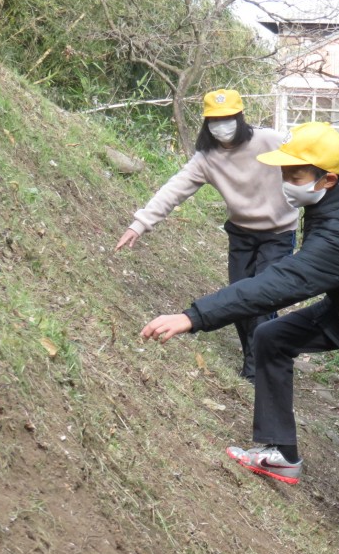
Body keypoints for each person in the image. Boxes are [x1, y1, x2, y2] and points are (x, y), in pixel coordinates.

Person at [141, 122, 339, 554]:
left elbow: (281, 281)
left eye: (295, 176)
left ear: (327, 179)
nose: (285, 183)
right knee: (272, 338)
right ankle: (280, 451)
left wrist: (194, 316)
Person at [116, 89, 298, 381]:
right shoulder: (206, 159)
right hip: (241, 234)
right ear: (206, 124)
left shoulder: (269, 141)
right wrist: (140, 223)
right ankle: (251, 357)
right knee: (240, 297)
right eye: (214, 120)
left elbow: (313, 154)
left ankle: (257, 370)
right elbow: (174, 190)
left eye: (227, 118)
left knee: (264, 299)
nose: (221, 125)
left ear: (240, 118)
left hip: (278, 233)